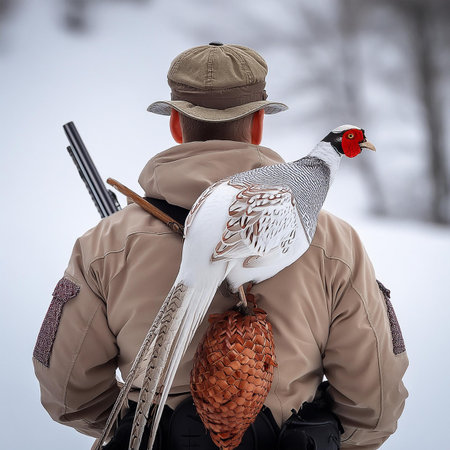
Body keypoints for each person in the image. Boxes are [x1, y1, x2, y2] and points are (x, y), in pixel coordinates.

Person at [33, 43, 408, 449]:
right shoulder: (334, 241)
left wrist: (144, 431)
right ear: (259, 124)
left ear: (176, 125)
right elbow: (376, 402)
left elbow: (67, 392)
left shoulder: (104, 244)